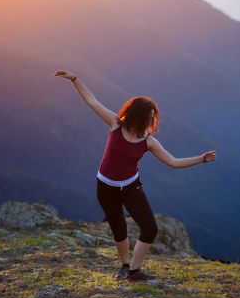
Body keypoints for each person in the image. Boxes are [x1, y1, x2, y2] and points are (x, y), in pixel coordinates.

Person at [52, 69, 217, 281]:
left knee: (150, 228)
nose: (152, 122)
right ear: (137, 116)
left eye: (153, 118)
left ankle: (134, 272)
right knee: (118, 229)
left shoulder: (148, 142)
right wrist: (75, 79)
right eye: (149, 117)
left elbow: (174, 163)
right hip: (106, 187)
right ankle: (125, 265)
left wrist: (201, 159)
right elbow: (92, 101)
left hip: (130, 186)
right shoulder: (115, 124)